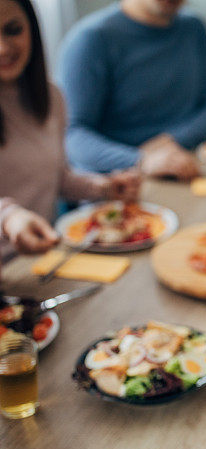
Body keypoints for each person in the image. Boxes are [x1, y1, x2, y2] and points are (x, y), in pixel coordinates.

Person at [0, 0, 139, 258]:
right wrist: (8, 217)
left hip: (46, 259)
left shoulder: (52, 97)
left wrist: (104, 187)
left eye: (13, 29)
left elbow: (54, 178)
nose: (3, 47)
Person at [57, 0, 206, 180]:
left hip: (186, 164)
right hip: (120, 181)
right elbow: (71, 136)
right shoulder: (91, 39)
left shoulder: (194, 28)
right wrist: (141, 160)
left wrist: (172, 140)